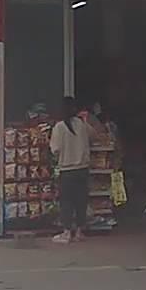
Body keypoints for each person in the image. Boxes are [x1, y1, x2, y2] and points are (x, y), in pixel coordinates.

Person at [49, 96, 96, 244]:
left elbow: (55, 149)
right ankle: (80, 232)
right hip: (82, 170)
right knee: (81, 201)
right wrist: (86, 120)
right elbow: (94, 135)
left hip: (67, 170)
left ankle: (67, 232)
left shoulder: (59, 127)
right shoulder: (82, 124)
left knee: (67, 202)